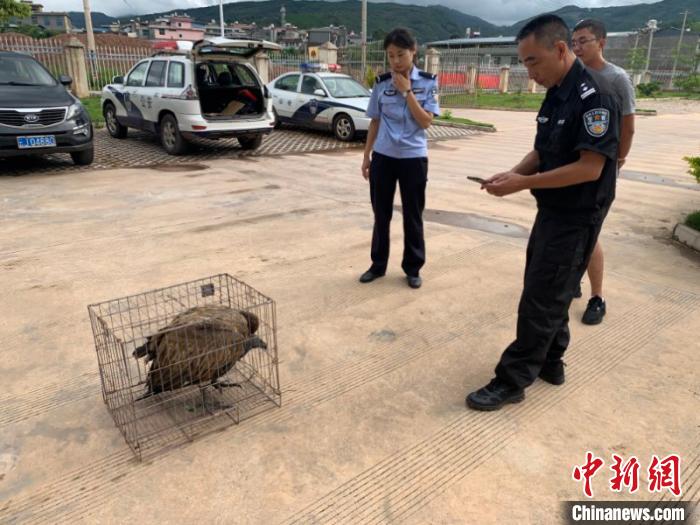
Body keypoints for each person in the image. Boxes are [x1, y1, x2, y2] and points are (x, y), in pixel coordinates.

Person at [465, 14, 620, 411]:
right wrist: (515, 172)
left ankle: (512, 380)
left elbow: (591, 167)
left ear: (560, 49)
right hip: (553, 210)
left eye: (533, 60)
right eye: (523, 62)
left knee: (540, 295)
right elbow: (544, 151)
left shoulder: (595, 96)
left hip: (578, 214)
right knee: (552, 287)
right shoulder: (556, 92)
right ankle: (551, 360)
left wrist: (522, 183)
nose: (528, 71)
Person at [359, 27, 440, 289]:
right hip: (383, 157)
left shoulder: (427, 82)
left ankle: (413, 268)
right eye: (391, 55)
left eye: (400, 55)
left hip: (413, 159)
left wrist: (407, 92)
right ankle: (377, 265)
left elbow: (426, 122)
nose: (395, 61)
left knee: (412, 215)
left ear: (413, 52)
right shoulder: (381, 83)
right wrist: (366, 156)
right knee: (380, 215)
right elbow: (375, 121)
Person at [572, 18, 636, 325]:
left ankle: (598, 297)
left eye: (584, 40)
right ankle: (572, 281)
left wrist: (618, 160)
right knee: (571, 227)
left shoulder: (616, 78)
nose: (578, 47)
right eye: (574, 42)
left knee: (590, 232)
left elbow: (628, 125)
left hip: (602, 167)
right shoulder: (575, 75)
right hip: (574, 165)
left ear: (602, 42)